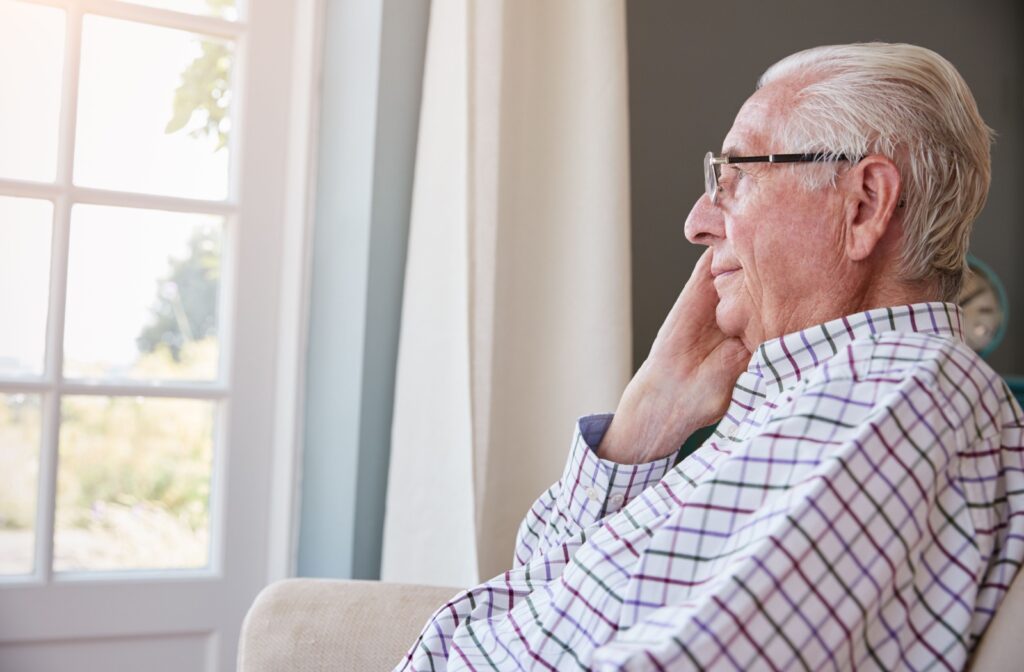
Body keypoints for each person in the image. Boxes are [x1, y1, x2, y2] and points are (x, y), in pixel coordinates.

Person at [394, 42, 1024, 671]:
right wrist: (643, 425)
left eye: (737, 177)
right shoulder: (822, 400)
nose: (698, 222)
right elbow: (533, 602)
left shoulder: (904, 393)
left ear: (863, 205)